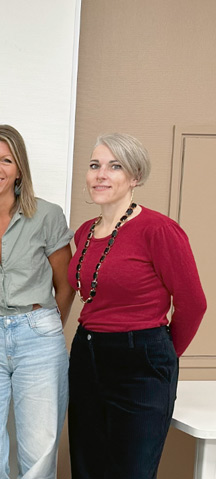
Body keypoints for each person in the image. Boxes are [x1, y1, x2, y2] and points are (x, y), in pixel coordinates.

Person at [68, 133, 206, 478]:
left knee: (131, 471)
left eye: (115, 166)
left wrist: (160, 355)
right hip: (87, 356)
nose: (101, 174)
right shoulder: (85, 232)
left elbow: (193, 304)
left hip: (140, 361)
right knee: (87, 467)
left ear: (135, 177)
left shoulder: (158, 229)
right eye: (95, 165)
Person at [0, 125, 74, 479]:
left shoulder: (47, 215)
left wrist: (48, 327)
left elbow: (65, 285)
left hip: (38, 337)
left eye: (6, 160)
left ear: (19, 168)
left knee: (39, 455)